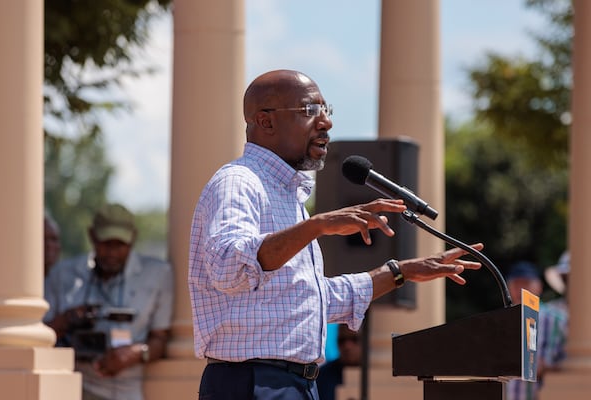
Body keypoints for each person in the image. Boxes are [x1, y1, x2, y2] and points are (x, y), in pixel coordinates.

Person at [187, 69, 484, 400]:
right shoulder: (239, 183)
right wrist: (317, 226)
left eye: (327, 111)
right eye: (310, 111)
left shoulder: (287, 197)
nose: (325, 122)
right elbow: (230, 267)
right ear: (266, 122)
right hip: (254, 383)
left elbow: (309, 300)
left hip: (296, 384)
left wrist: (401, 272)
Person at [44, 203, 174, 400]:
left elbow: (161, 337)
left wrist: (134, 353)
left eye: (119, 244)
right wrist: (68, 320)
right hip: (70, 387)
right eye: (105, 243)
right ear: (92, 236)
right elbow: (40, 335)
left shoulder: (157, 275)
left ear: (133, 239)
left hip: (125, 392)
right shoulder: (64, 275)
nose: (112, 252)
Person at [505, 260, 568, 400]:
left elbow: (573, 364)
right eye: (516, 284)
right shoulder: (501, 321)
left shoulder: (557, 320)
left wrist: (545, 368)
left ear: (538, 286)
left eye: (526, 283)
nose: (521, 289)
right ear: (509, 287)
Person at [317, 324, 362, 400]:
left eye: (354, 339)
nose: (347, 346)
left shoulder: (378, 374)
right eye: (342, 340)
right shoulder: (322, 376)